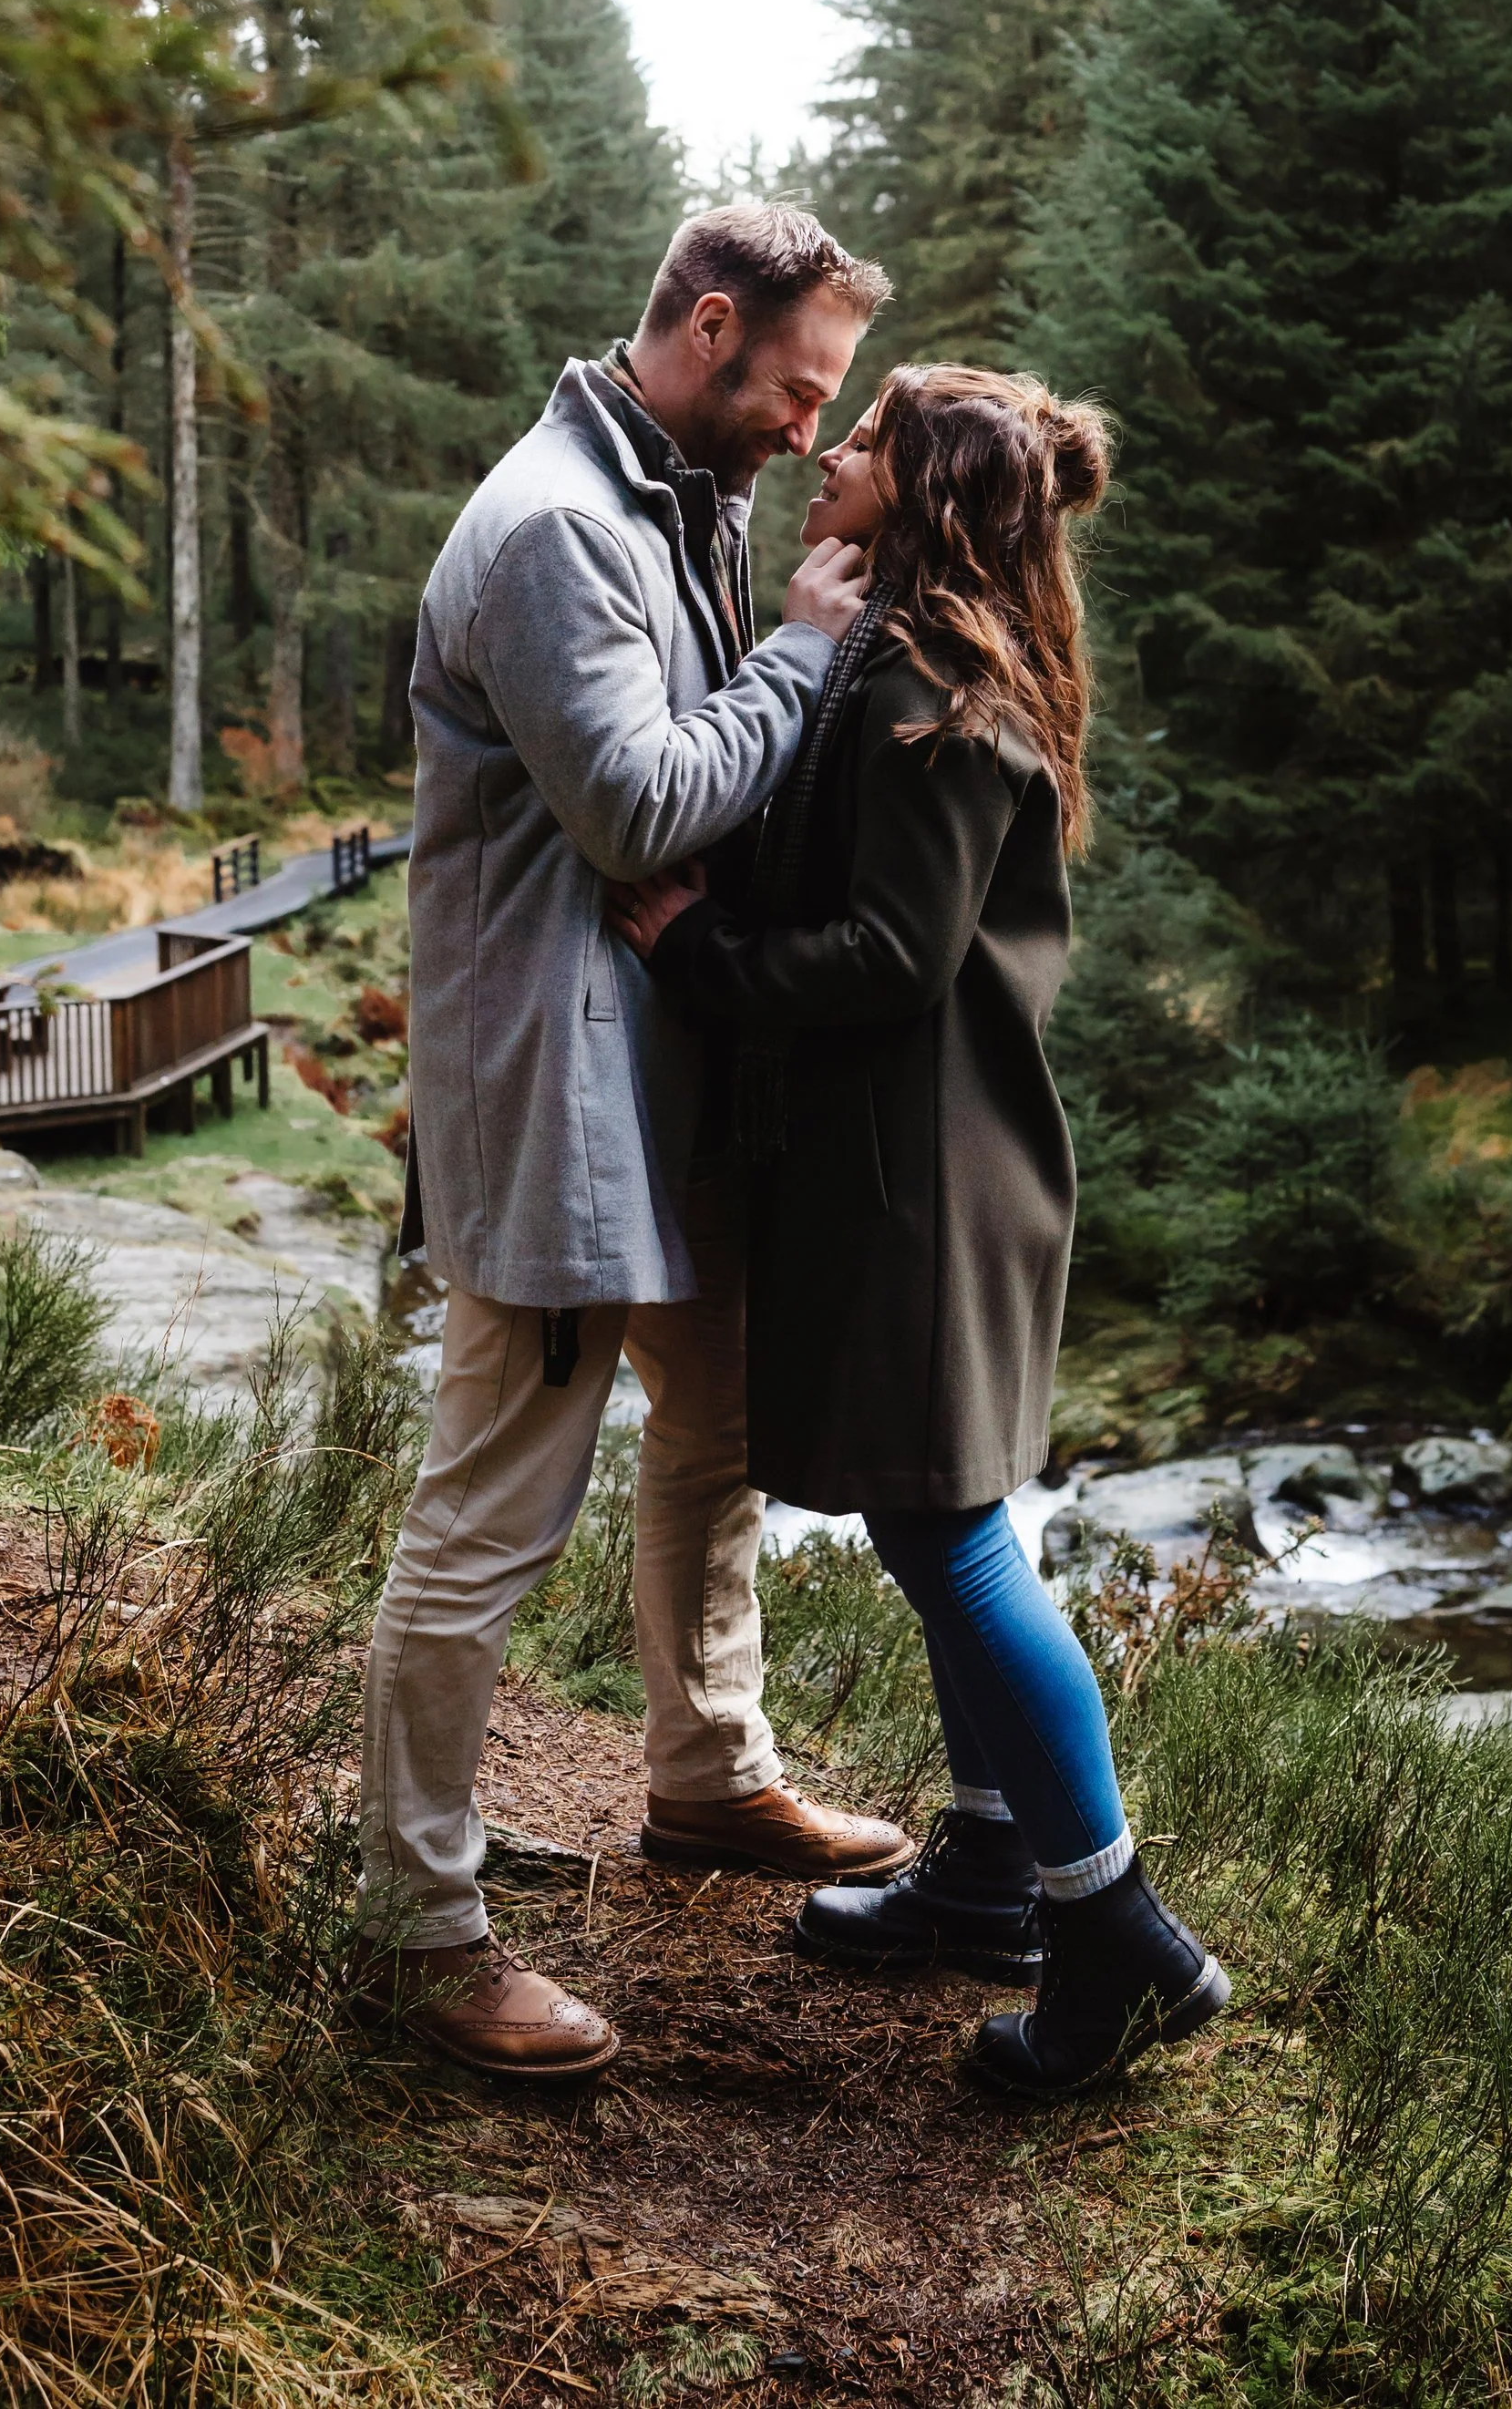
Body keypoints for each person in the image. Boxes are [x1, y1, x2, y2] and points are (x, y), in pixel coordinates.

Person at [610, 365, 1229, 2099]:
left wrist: (692, 956)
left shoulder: (932, 693)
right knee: (934, 1517)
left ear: (931, 490)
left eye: (866, 440)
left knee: (946, 1532)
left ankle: (1118, 1931)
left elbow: (893, 958)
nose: (830, 456)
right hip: (924, 1172)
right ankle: (982, 1869)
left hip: (924, 1187)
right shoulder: (913, 666)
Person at [351, 205, 913, 2085]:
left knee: (723, 1427)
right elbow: (630, 803)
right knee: (490, 1515)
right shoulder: (555, 530)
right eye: (793, 391)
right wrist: (809, 655)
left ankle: (706, 1777)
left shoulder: (672, 492)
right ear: (703, 327)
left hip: (654, 1088)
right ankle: (420, 1931)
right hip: (548, 1101)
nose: (801, 428)